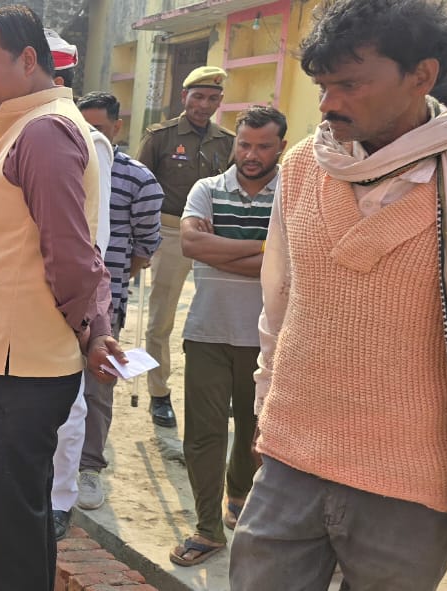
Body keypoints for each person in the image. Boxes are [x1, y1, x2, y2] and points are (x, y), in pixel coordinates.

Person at [231, 1, 447, 589]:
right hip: (290, 458)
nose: (327, 103)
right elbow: (279, 302)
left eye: (350, 84)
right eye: (323, 86)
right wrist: (267, 407)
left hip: (412, 483)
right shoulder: (306, 165)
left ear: (422, 75)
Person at [0, 7, 122, 589]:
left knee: (5, 525)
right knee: (20, 515)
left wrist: (94, 331)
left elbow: (70, 253)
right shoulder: (26, 126)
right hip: (5, 355)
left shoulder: (43, 131)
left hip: (16, 366)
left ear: (29, 58)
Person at [169, 105, 284, 567]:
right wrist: (265, 248)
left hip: (269, 337)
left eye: (263, 146)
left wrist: (222, 250)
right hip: (207, 331)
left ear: (281, 146)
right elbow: (190, 243)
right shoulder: (207, 188)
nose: (251, 155)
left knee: (255, 430)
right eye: (244, 144)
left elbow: (290, 262)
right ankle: (207, 527)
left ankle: (238, 495)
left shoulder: (291, 194)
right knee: (203, 433)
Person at [47, 92, 164, 535]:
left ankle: (90, 467)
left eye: (97, 127)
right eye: (83, 125)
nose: (89, 135)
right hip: (55, 301)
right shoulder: (62, 165)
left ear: (116, 128)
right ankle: (53, 471)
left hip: (104, 301)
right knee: (56, 389)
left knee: (96, 389)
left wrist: (103, 288)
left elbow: (144, 249)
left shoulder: (139, 180)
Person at [137, 65, 235, 429]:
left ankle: (220, 390)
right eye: (198, 97)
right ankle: (159, 392)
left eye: (212, 98)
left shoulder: (227, 142)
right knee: (161, 319)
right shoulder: (160, 137)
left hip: (213, 235)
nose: (204, 105)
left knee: (219, 314)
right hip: (170, 231)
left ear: (220, 101)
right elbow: (140, 188)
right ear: (184, 97)